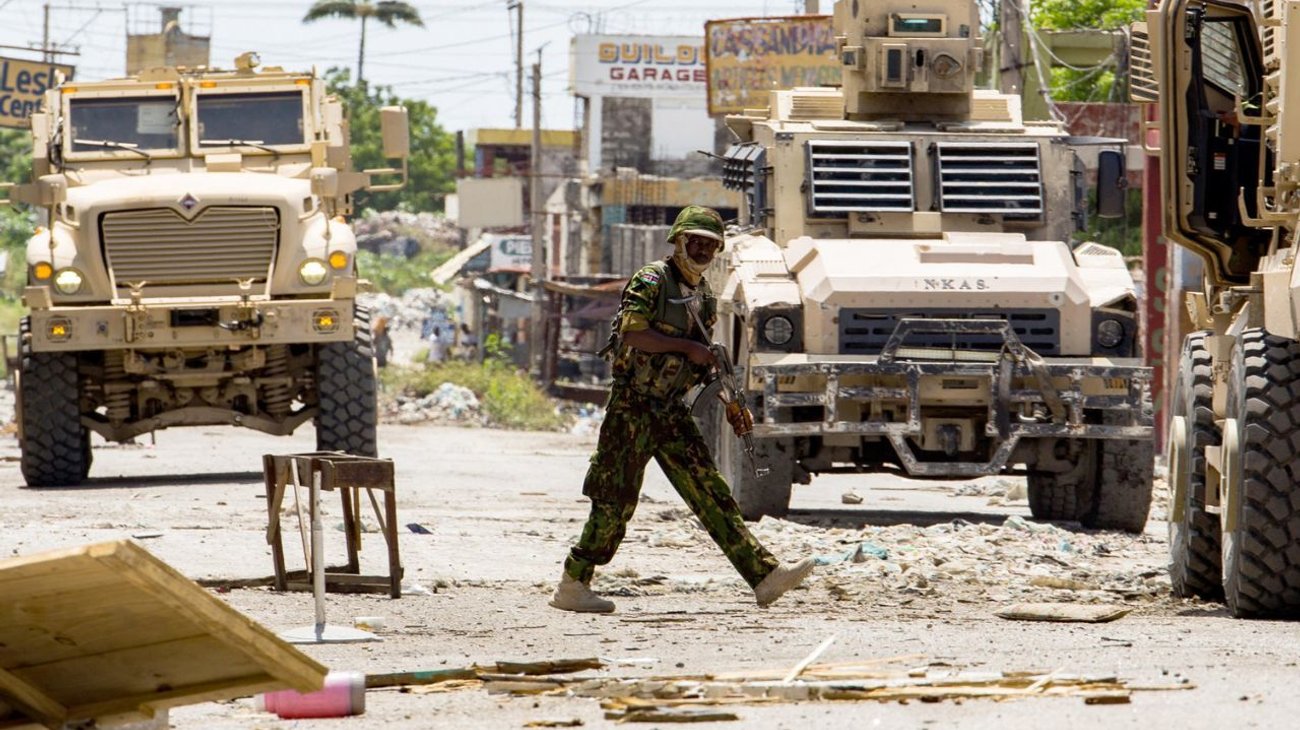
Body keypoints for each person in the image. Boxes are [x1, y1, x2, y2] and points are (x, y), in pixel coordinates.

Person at [550, 205, 814, 614]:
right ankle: (574, 583)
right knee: (615, 500)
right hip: (633, 408)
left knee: (711, 492)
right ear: (678, 241)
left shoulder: (705, 296)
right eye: (696, 242)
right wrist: (688, 347)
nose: (703, 250)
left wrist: (730, 402)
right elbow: (634, 333)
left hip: (671, 411)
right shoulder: (652, 280)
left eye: (710, 244)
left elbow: (703, 363)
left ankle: (763, 577)